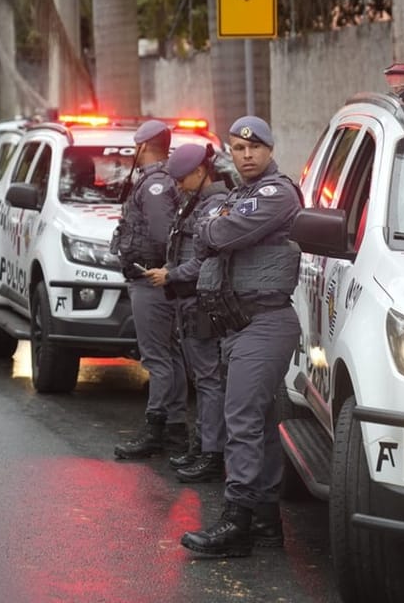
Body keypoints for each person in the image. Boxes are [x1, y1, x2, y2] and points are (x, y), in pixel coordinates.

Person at [180, 116, 302, 558]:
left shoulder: (277, 193)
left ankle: (237, 520)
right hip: (236, 326)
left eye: (255, 147)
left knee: (241, 421)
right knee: (259, 425)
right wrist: (214, 228)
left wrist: (215, 228)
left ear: (269, 149)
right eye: (237, 147)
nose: (246, 154)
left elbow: (221, 232)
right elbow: (204, 231)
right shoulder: (234, 195)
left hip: (266, 321)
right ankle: (266, 522)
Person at [143, 143, 230, 483]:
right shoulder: (196, 201)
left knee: (209, 380)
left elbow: (207, 258)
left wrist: (172, 275)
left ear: (200, 171)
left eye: (182, 178)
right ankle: (203, 445)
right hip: (190, 300)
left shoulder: (215, 205)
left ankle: (212, 453)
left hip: (202, 301)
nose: (177, 185)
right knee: (203, 379)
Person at [110, 119, 187, 459]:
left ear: (145, 145)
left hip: (151, 281)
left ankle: (158, 428)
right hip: (158, 281)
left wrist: (163, 271)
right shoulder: (163, 179)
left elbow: (162, 234)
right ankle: (174, 429)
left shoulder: (155, 184)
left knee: (158, 358)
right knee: (169, 356)